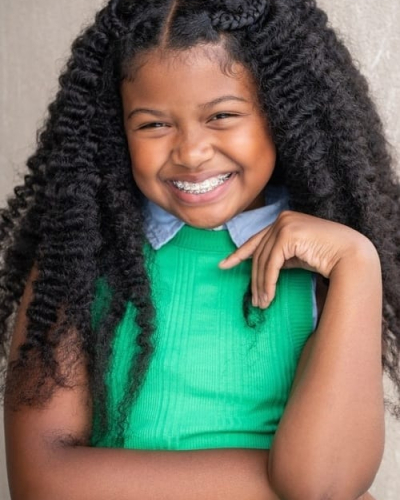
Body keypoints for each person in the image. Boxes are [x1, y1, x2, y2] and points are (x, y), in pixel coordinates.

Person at [1, 0, 399, 498]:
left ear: (284, 112)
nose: (191, 153)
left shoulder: (329, 264)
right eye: (153, 124)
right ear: (116, 127)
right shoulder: (77, 256)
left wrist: (358, 262)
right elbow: (42, 482)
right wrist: (282, 483)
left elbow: (325, 483)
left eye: (222, 115)